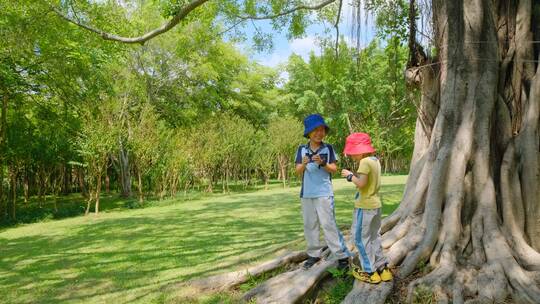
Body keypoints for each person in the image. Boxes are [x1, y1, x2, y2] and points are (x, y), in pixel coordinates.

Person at [295, 114, 350, 270]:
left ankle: (341, 256)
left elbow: (334, 169)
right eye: (316, 130)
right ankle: (313, 254)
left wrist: (323, 163)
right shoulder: (301, 149)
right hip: (307, 194)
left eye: (322, 130)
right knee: (309, 225)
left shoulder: (329, 148)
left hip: (324, 193)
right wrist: (304, 164)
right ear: (309, 132)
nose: (319, 133)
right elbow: (297, 171)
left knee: (328, 224)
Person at [340, 132, 393, 283]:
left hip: (365, 207)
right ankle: (383, 268)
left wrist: (350, 176)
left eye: (353, 152)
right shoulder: (375, 160)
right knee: (375, 237)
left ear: (361, 150)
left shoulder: (364, 162)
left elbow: (361, 183)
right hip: (376, 205)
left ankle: (370, 272)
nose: (351, 156)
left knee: (360, 239)